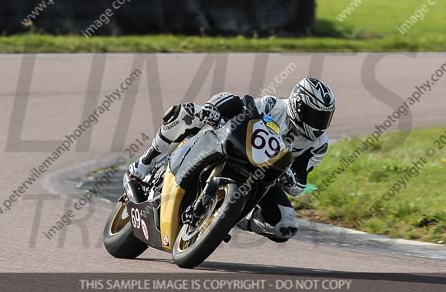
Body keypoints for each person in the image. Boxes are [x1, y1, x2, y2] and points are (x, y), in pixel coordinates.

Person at [127, 77, 335, 243]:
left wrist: (289, 177)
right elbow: (241, 107)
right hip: (235, 147)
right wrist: (215, 111)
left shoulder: (318, 144)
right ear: (298, 106)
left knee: (285, 225)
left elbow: (300, 183)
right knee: (191, 114)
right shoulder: (273, 106)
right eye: (314, 116)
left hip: (262, 176)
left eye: (324, 118)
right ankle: (146, 162)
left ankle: (228, 217)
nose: (318, 125)